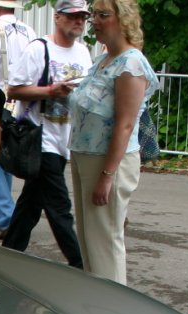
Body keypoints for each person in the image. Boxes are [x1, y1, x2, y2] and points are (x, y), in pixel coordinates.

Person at [68, 0, 158, 285]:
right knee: (90, 242)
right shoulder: (103, 59)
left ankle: (111, 312)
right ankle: (96, 307)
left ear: (124, 20)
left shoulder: (131, 64)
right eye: (94, 14)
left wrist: (107, 175)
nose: (94, 20)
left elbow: (125, 123)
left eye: (103, 15)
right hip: (86, 156)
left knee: (105, 244)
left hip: (108, 162)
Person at [2, 0, 92, 269]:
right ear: (57, 17)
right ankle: (81, 264)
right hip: (40, 139)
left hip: (66, 139)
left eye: (83, 17)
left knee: (31, 204)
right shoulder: (39, 49)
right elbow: (14, 90)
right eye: (73, 16)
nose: (79, 21)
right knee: (59, 206)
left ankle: (8, 254)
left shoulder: (84, 53)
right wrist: (51, 91)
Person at [0, 0, 35, 238]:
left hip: (1, 98)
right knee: (9, 154)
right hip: (23, 100)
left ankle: (5, 214)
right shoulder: (29, 31)